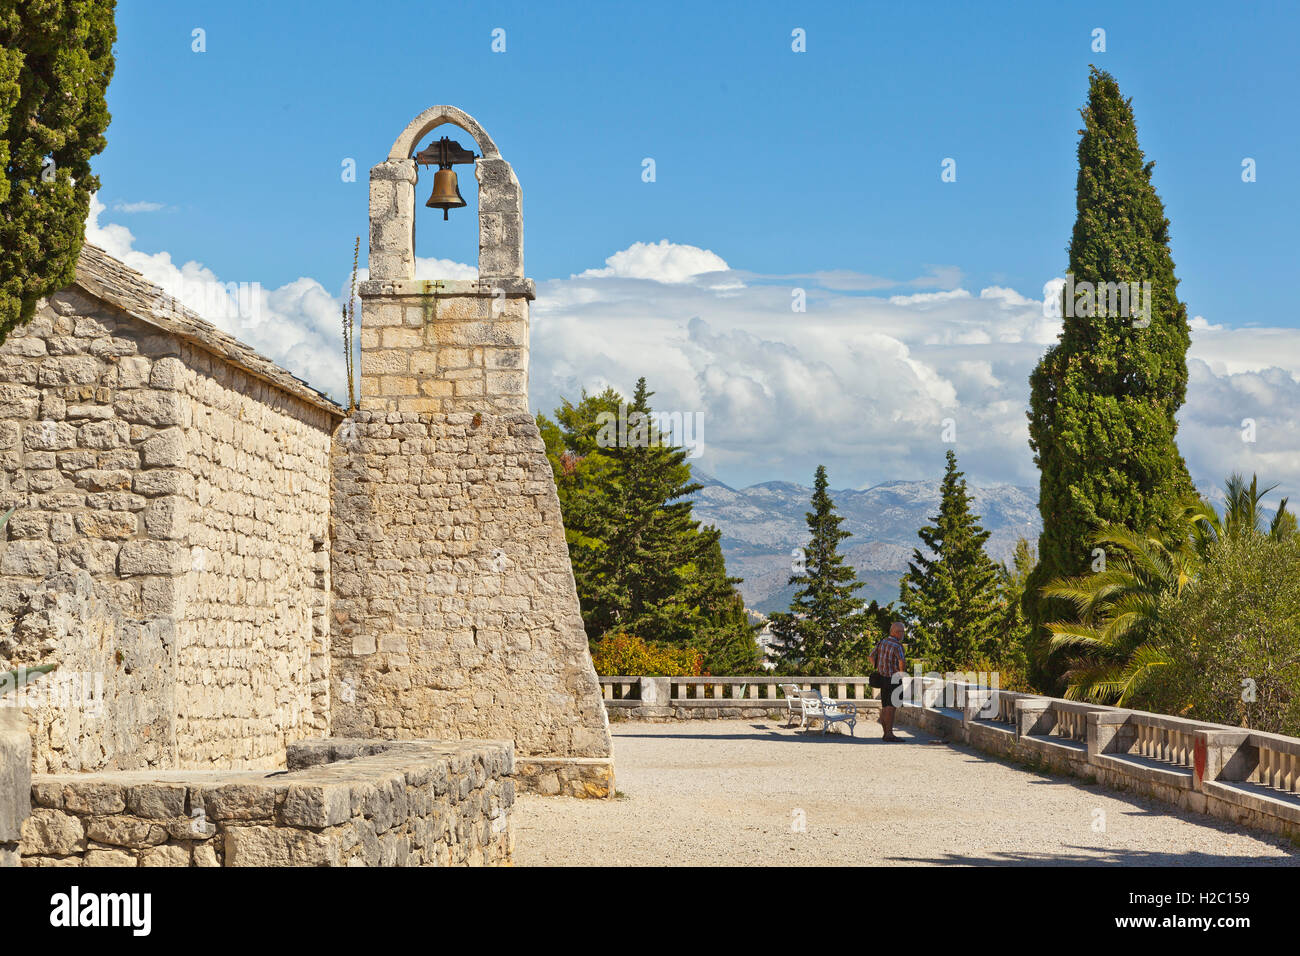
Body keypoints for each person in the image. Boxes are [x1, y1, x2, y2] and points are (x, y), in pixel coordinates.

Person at [871, 622, 907, 742]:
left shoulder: (882, 642)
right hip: (893, 679)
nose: (903, 634)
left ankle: (886, 733)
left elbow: (871, 656)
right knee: (891, 707)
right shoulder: (897, 645)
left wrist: (878, 667)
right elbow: (902, 661)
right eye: (902, 632)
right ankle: (889, 734)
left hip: (882, 678)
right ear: (896, 632)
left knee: (885, 706)